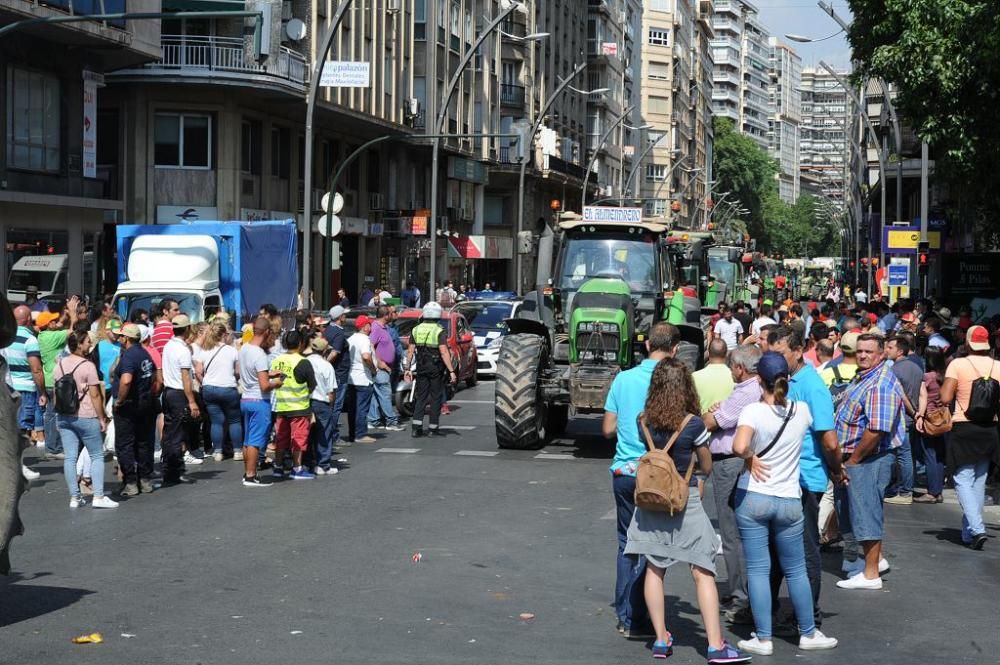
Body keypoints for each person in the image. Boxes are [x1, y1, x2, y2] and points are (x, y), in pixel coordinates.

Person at [621, 358, 751, 663]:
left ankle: (661, 639)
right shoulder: (692, 424)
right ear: (685, 388)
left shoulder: (644, 421)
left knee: (654, 567)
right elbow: (705, 464)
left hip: (652, 499)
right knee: (703, 569)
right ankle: (716, 645)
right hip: (684, 498)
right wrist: (698, 469)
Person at [732, 352, 838, 655]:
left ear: (758, 380)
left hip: (754, 496)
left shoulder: (753, 411)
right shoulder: (802, 410)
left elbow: (739, 446)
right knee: (796, 570)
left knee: (758, 568)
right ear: (786, 379)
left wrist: (751, 458)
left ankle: (762, 637)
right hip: (790, 499)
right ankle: (808, 632)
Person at [602, 322, 679, 638]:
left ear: (647, 345)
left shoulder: (623, 379)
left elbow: (607, 428)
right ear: (674, 350)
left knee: (626, 544)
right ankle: (642, 615)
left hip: (624, 473)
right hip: (658, 475)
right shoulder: (674, 383)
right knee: (654, 546)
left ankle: (627, 616)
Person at [767, 326, 846, 632]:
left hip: (804, 481)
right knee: (773, 550)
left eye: (780, 354)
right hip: (778, 480)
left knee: (805, 550)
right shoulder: (781, 381)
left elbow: (828, 439)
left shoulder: (812, 386)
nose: (775, 360)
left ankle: (808, 615)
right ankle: (768, 609)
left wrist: (837, 471)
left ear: (799, 351)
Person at [834, 334, 905, 589]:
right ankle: (875, 562)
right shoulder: (866, 376)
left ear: (881, 354)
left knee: (867, 514)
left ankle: (871, 574)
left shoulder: (879, 384)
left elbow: (876, 431)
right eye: (860, 350)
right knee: (858, 512)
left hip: (869, 459)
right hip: (859, 459)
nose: (863, 355)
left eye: (869, 352)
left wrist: (853, 460)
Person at [702, 344, 762, 623]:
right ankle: (742, 592)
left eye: (732, 368)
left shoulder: (747, 391)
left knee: (731, 532)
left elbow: (713, 421)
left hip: (730, 461)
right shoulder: (754, 389)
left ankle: (741, 595)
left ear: (740, 368)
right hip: (737, 460)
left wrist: (715, 414)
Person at [939, 325, 999, 550]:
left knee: (963, 479)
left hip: (964, 426)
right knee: (979, 481)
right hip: (990, 428)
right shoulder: (998, 366)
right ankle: (969, 533)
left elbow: (945, 397)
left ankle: (977, 528)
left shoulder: (958, 364)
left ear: (968, 342)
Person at [53, 331, 117, 509]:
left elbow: (55, 393)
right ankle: (98, 496)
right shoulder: (88, 366)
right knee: (96, 455)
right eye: (88, 342)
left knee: (70, 458)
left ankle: (75, 497)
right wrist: (102, 417)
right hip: (86, 415)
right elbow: (95, 395)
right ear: (79, 344)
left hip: (64, 416)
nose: (90, 345)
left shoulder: (60, 364)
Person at [111, 323, 159, 497]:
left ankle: (131, 482)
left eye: (121, 336)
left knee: (125, 444)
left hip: (129, 405)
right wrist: (149, 391)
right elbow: (155, 375)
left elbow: (126, 380)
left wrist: (120, 400)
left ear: (127, 338)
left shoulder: (129, 356)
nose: (119, 339)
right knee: (143, 442)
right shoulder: (144, 352)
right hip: (144, 403)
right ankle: (145, 480)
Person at [3, 305, 46, 480]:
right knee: (22, 430)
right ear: (28, 319)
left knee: (11, 429)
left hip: (7, 387)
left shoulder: (7, 338)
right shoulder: (30, 340)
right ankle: (19, 467)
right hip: (26, 389)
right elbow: (36, 369)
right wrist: (42, 392)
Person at [37, 296, 80, 460]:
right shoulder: (52, 337)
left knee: (50, 413)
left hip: (48, 380)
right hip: (55, 380)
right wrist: (73, 312)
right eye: (53, 321)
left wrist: (66, 312)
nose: (56, 322)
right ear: (49, 325)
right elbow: (73, 330)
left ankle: (51, 446)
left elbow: (61, 325)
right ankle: (54, 448)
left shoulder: (43, 335)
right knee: (57, 414)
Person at [269, 330, 317, 479]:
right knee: (299, 437)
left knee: (281, 438)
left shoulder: (277, 360)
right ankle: (297, 468)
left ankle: (278, 466)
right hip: (299, 407)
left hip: (281, 405)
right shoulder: (303, 361)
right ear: (301, 343)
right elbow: (312, 385)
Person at [239, 317, 279, 487]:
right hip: (259, 400)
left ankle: (247, 472)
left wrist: (268, 373)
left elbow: (245, 371)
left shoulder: (244, 348)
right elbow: (264, 386)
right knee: (255, 441)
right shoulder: (260, 354)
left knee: (248, 440)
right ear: (267, 332)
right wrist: (276, 383)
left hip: (246, 397)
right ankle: (250, 475)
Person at [405, 303, 456, 438]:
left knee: (421, 397)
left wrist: (407, 368)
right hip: (435, 368)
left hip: (421, 367)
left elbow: (410, 351)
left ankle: (416, 428)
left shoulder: (415, 329)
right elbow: (444, 352)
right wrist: (451, 371)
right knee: (435, 397)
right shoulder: (439, 330)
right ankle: (433, 428)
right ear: (438, 314)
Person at [160, 314, 200, 487]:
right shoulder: (182, 350)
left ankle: (169, 468)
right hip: (178, 394)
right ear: (187, 329)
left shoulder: (169, 346)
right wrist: (192, 401)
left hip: (168, 392)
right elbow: (186, 378)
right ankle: (173, 472)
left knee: (170, 433)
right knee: (177, 434)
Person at [195, 322, 242, 462]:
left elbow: (198, 371)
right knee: (234, 420)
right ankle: (238, 451)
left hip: (209, 389)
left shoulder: (204, 351)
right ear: (223, 335)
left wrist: (205, 381)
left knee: (216, 421)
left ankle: (218, 452)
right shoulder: (232, 351)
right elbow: (238, 372)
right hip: (228, 388)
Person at [884, 334, 922, 505]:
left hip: (901, 418)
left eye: (890, 348)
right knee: (901, 455)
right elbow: (922, 393)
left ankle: (906, 491)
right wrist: (918, 413)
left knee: (903, 455)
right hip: (910, 417)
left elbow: (900, 396)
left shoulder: (895, 370)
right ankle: (900, 487)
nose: (887, 350)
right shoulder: (916, 368)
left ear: (899, 351)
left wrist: (913, 413)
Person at [914, 346, 948, 504]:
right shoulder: (945, 376)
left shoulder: (926, 377)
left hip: (930, 418)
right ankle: (938, 490)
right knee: (940, 456)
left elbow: (922, 397)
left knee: (929, 455)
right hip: (943, 418)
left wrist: (919, 416)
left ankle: (932, 492)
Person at [304, 336, 338, 475]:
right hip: (321, 402)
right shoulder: (327, 365)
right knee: (324, 433)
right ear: (324, 351)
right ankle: (323, 464)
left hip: (305, 401)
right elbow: (331, 390)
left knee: (307, 434)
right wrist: (331, 405)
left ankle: (307, 462)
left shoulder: (304, 362)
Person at [367, 306, 402, 432]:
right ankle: (391, 422)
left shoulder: (382, 328)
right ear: (385, 315)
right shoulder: (376, 328)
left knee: (377, 396)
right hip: (381, 368)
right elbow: (370, 346)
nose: (392, 315)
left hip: (385, 367)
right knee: (385, 395)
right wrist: (380, 363)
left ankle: (373, 420)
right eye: (390, 314)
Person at [346, 315, 378, 444]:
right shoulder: (365, 339)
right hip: (363, 378)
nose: (370, 327)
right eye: (369, 325)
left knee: (352, 408)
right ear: (365, 327)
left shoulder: (350, 339)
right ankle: (361, 434)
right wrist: (373, 369)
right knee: (362, 408)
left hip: (351, 378)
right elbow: (366, 356)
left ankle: (352, 433)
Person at [323, 306, 351, 447]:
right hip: (339, 373)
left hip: (334, 373)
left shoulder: (328, 330)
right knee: (336, 406)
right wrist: (324, 366)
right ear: (340, 317)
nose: (346, 317)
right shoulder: (339, 333)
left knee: (331, 406)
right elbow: (334, 353)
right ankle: (333, 436)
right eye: (344, 315)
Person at [692, 339, 735, 414]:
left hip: (704, 422)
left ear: (708, 353)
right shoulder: (736, 377)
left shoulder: (694, 376)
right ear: (726, 354)